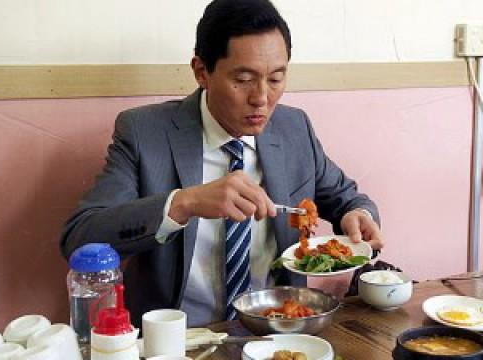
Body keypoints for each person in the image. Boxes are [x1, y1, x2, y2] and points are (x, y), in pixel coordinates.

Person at [60, 0, 383, 327]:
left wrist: (359, 216)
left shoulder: (293, 128)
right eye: (243, 79)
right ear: (202, 72)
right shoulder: (146, 134)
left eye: (275, 79)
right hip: (180, 338)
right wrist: (184, 203)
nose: (261, 98)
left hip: (279, 331)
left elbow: (347, 200)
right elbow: (81, 238)